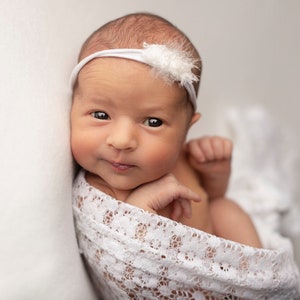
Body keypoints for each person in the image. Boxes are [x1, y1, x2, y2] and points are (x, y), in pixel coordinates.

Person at [70, 12, 261, 248]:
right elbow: (119, 257)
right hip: (167, 281)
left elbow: (209, 196)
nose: (121, 141)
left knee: (224, 208)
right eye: (101, 115)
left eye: (153, 122)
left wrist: (215, 172)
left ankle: (258, 279)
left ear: (186, 128)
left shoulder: (181, 157)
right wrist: (141, 205)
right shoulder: (100, 189)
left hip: (222, 267)